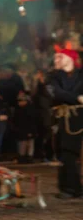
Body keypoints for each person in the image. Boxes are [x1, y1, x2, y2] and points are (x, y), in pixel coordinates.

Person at [47, 46, 83, 199]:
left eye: (59, 57)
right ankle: (69, 188)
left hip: (79, 116)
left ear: (70, 59)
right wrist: (76, 97)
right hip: (64, 117)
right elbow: (57, 93)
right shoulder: (54, 77)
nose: (55, 60)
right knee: (65, 151)